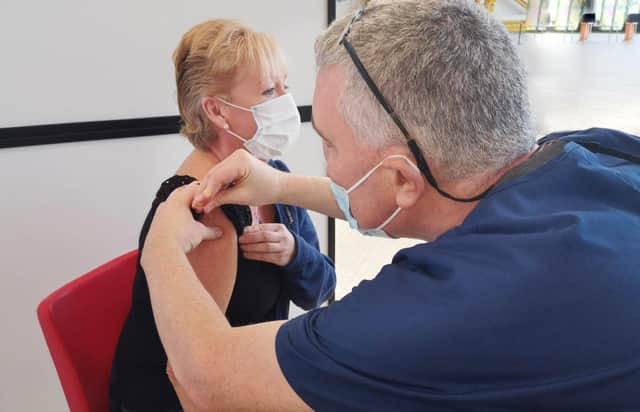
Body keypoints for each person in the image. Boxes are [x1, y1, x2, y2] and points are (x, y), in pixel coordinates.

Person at [139, 1, 640, 410]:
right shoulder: (595, 151)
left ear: (401, 178)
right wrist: (278, 187)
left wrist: (159, 246)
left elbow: (205, 379)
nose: (325, 164)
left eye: (329, 144)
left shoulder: (436, 312)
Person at [109, 20, 336, 412]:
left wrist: (295, 254)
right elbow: (192, 378)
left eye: (286, 85)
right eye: (269, 91)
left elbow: (320, 290)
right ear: (216, 110)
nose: (286, 101)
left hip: (249, 377)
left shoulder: (273, 176)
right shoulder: (201, 211)